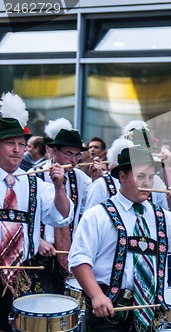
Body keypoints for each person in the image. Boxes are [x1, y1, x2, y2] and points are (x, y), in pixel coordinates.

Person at [68, 145, 171, 332]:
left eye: (151, 177)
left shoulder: (161, 216)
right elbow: (79, 259)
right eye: (141, 176)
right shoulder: (98, 215)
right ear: (123, 177)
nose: (147, 183)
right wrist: (96, 296)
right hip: (109, 310)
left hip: (149, 308)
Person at [0, 92, 73, 330]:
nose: (17, 150)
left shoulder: (35, 184)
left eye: (21, 144)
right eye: (10, 143)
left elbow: (61, 216)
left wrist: (59, 187)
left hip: (25, 273)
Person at [31, 118, 92, 295]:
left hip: (68, 252)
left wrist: (99, 180)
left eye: (77, 155)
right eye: (68, 154)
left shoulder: (82, 179)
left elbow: (89, 212)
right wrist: (38, 240)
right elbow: (26, 217)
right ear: (53, 150)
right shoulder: (34, 176)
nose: (73, 160)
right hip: (40, 253)